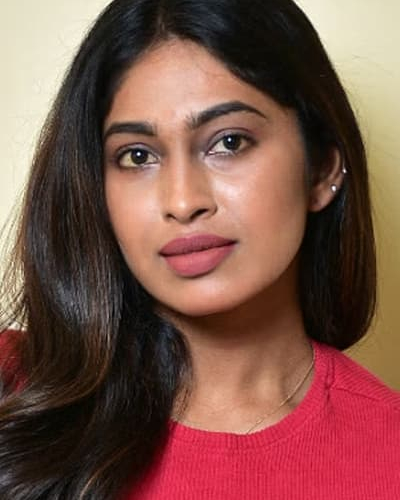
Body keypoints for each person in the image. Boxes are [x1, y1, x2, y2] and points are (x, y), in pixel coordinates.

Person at [0, 0, 399, 498]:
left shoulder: (389, 452)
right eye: (137, 156)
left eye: (229, 142)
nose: (183, 201)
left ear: (320, 170)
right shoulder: (14, 395)